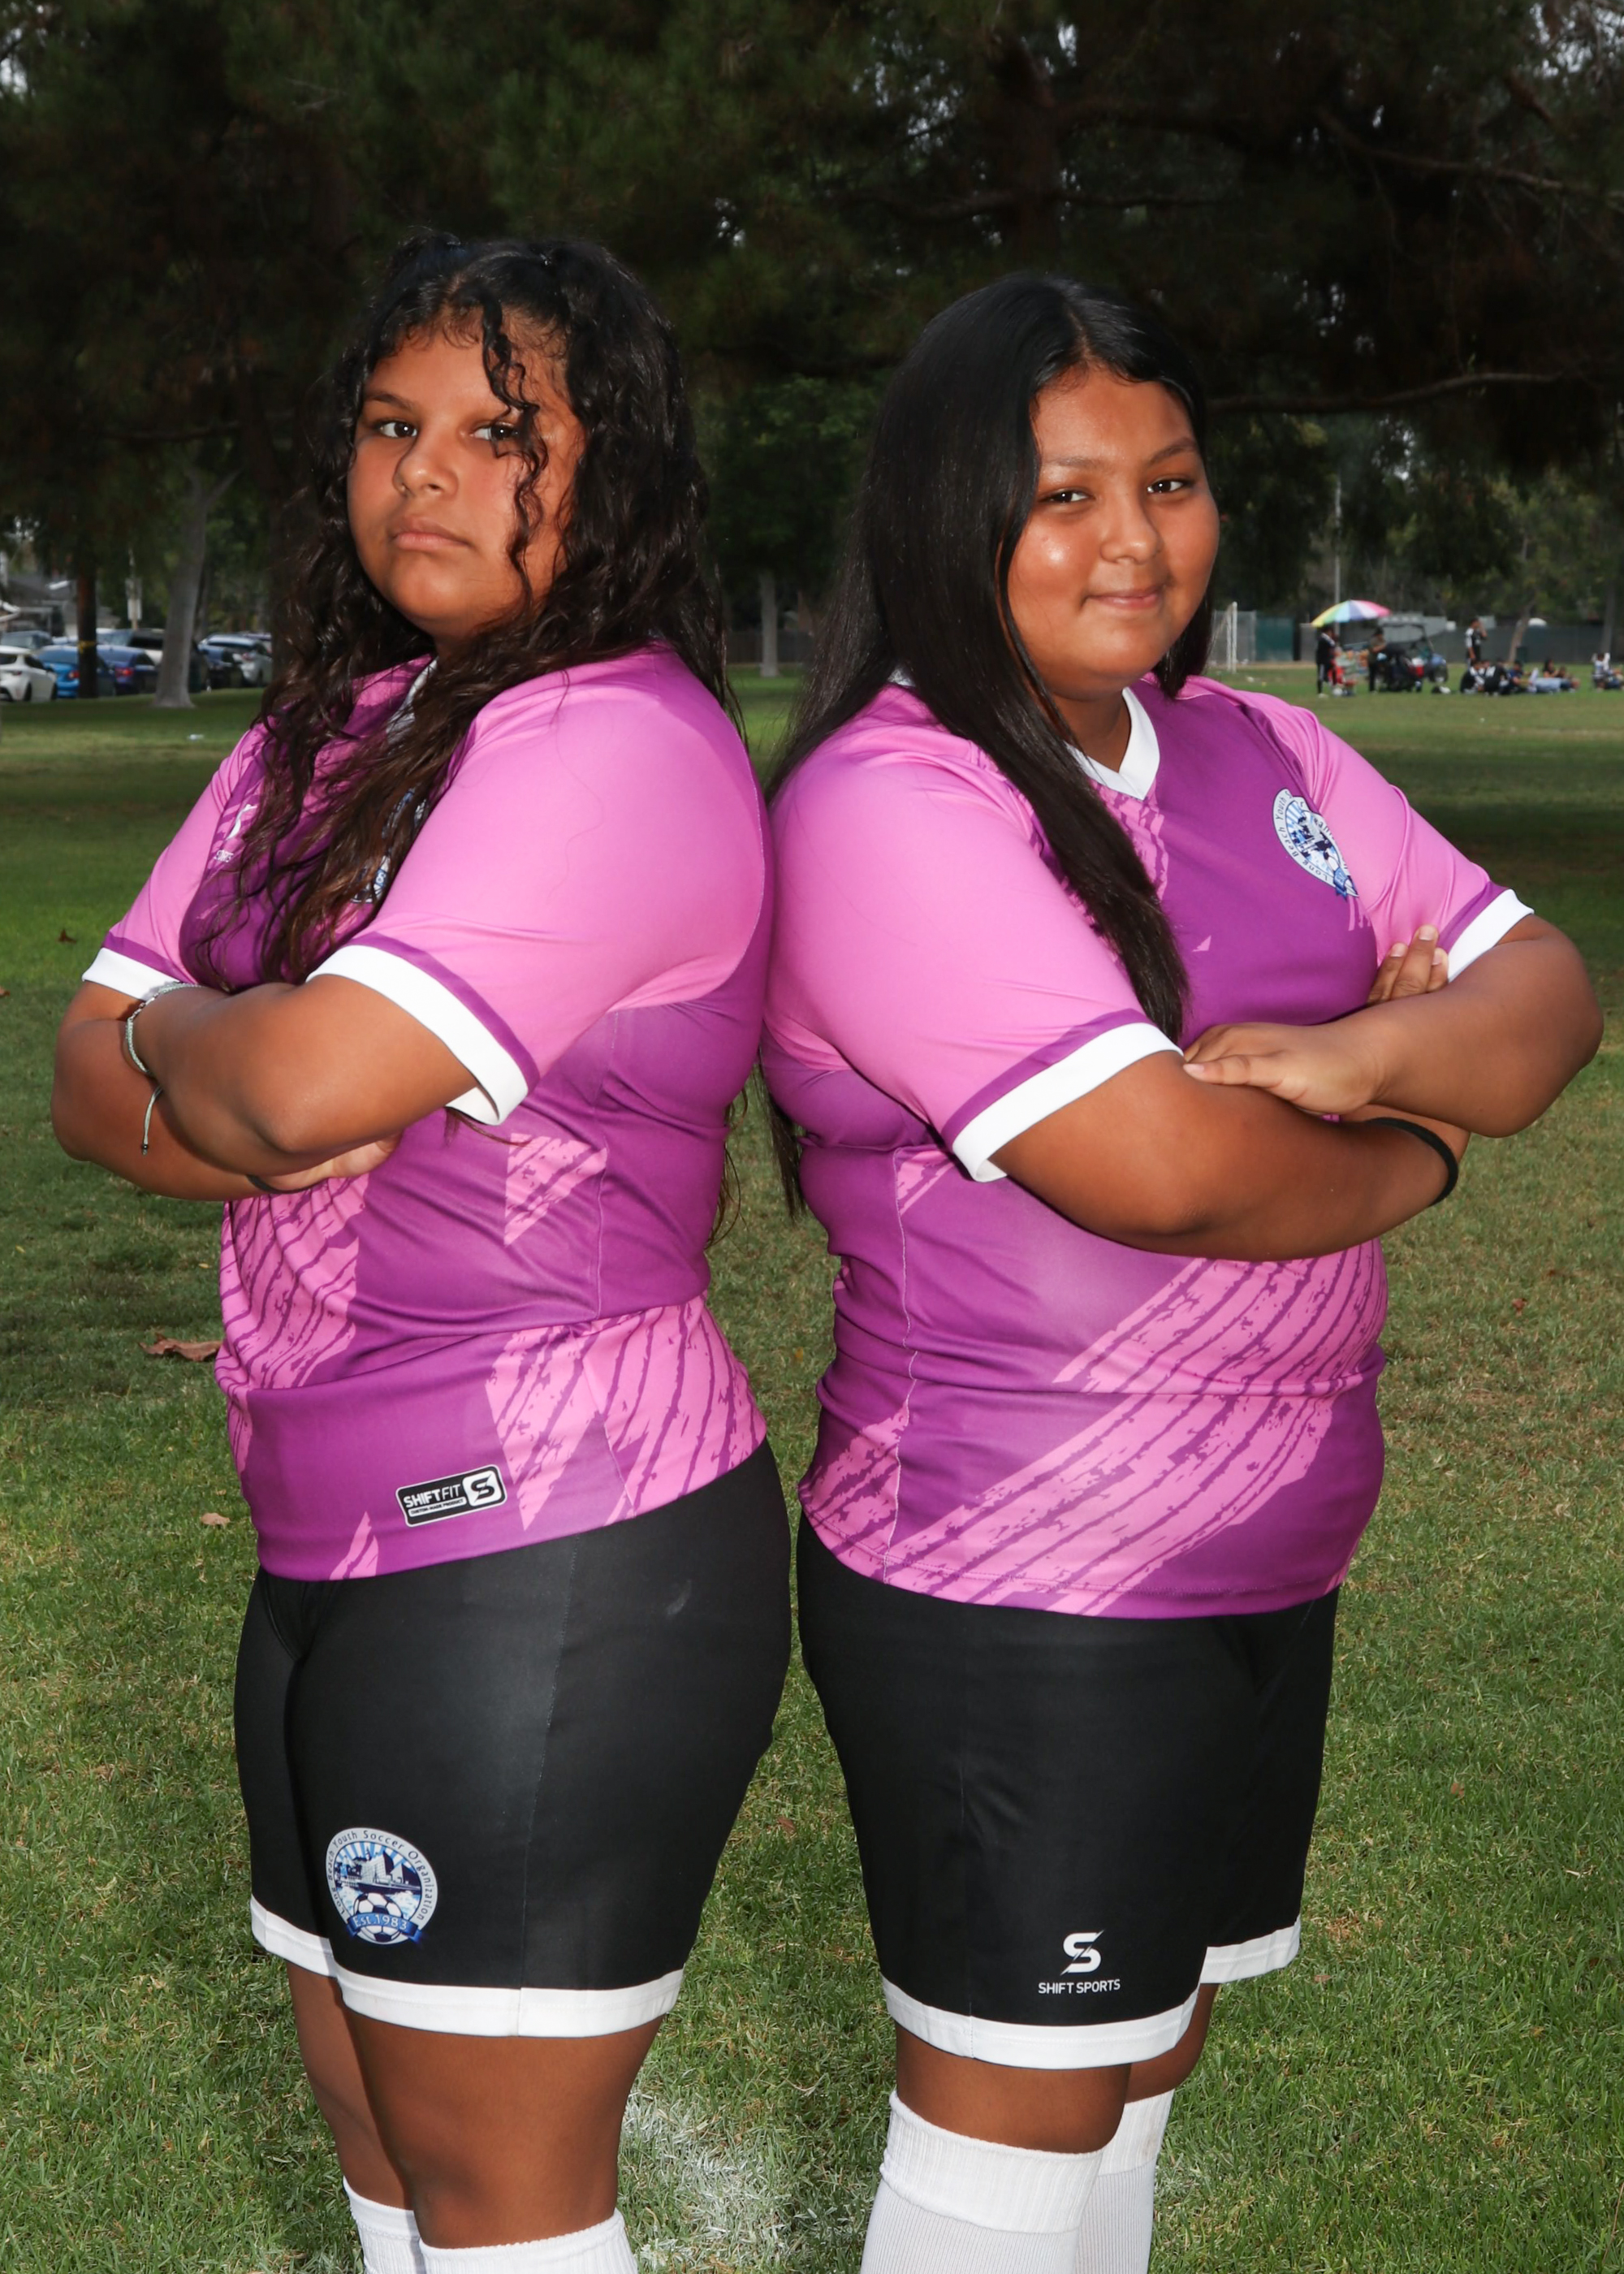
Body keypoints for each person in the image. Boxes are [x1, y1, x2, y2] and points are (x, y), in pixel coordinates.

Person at [762, 275, 1601, 2274]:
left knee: (1139, 2065)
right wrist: (1425, 1134)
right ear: (945, 509)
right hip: (1022, 1572)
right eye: (1061, 494)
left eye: (1169, 479)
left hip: (1264, 1552)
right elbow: (1165, 1168)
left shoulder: (1261, 745)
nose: (1131, 540)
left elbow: (1548, 1001)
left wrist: (1364, 1051)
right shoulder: (895, 799)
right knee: (1015, 2110)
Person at [51, 236, 789, 2274]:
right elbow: (91, 1080)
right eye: (393, 426)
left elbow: (288, 1089)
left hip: (543, 1544)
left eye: (501, 432)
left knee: (500, 2206)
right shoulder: (329, 731)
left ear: (616, 466)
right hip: (324, 1541)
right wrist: (212, 1055)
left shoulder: (609, 741)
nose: (429, 474)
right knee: (385, 2161)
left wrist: (201, 1044)